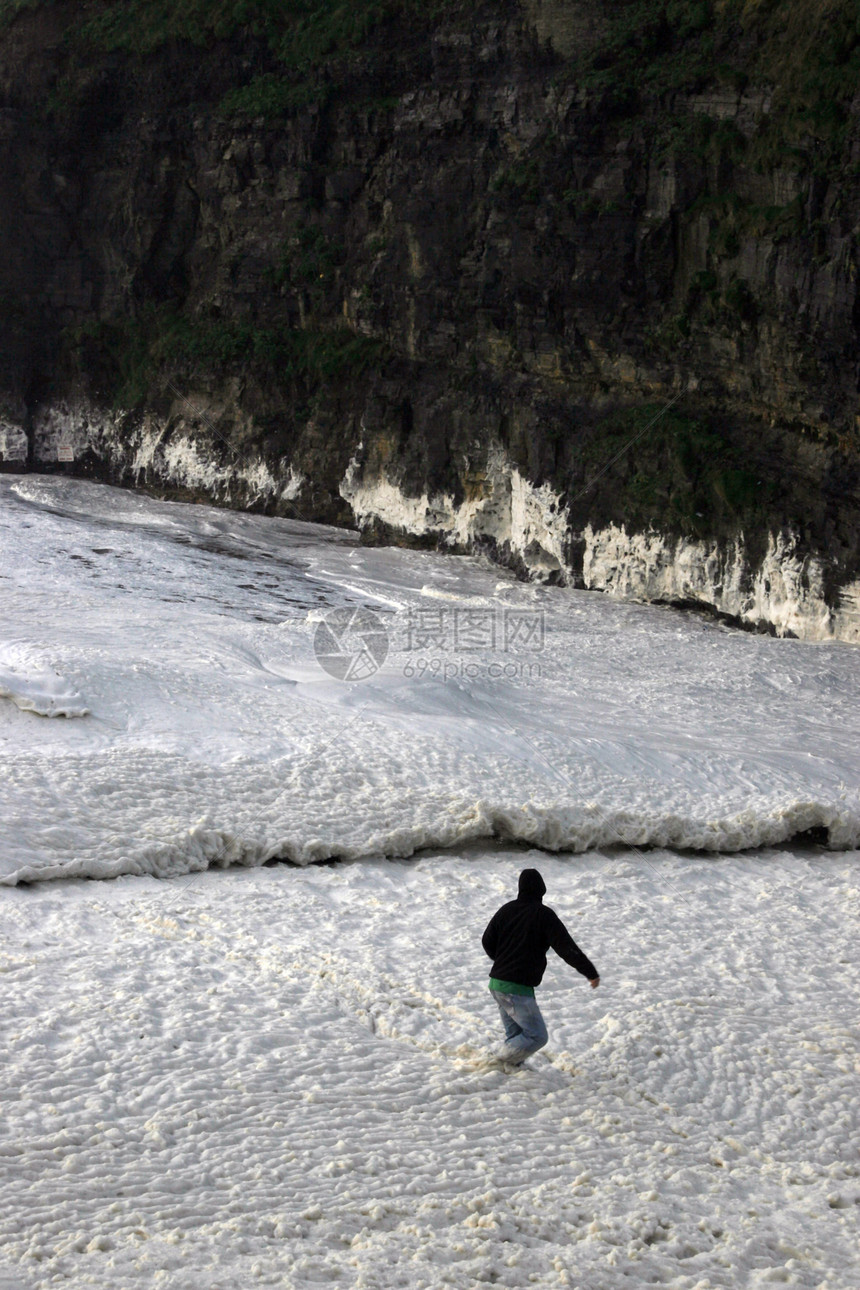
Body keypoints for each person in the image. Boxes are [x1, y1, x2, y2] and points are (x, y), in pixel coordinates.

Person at [482, 868, 599, 1066]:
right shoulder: (543, 915)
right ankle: (496, 1060)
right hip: (516, 988)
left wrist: (502, 961)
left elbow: (487, 940)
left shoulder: (506, 909)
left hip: (497, 983)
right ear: (541, 890)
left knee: (516, 1035)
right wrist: (589, 972)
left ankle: (508, 1071)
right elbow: (566, 947)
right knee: (537, 1036)